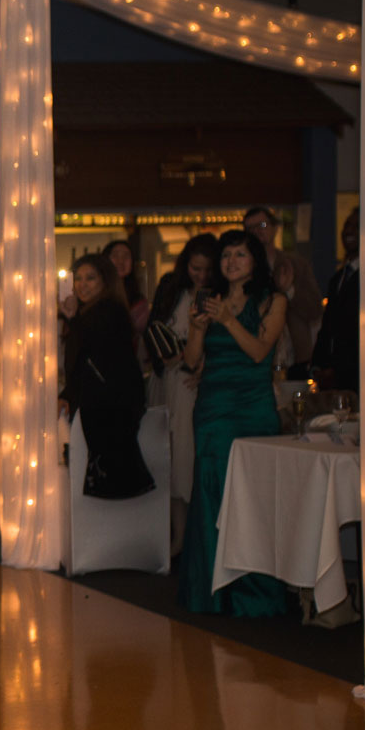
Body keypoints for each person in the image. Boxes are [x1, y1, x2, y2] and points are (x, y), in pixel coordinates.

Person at [177, 231, 291, 616]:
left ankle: (253, 594)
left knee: (252, 497)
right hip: (213, 407)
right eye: (226, 255)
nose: (231, 261)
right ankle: (210, 591)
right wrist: (197, 328)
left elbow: (260, 352)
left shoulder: (273, 301)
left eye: (240, 254)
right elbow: (192, 361)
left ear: (255, 260)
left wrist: (227, 319)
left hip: (253, 407)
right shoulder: (209, 300)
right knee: (212, 492)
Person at [60, 254, 153, 500]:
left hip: (110, 409)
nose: (82, 284)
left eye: (90, 278)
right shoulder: (91, 312)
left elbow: (92, 352)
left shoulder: (108, 312)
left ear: (105, 281)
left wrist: (72, 319)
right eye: (77, 278)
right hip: (104, 406)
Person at [149, 233, 219, 552]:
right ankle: (177, 534)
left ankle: (194, 534)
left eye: (206, 270)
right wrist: (163, 355)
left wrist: (200, 362)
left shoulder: (219, 296)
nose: (201, 276)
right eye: (195, 269)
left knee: (187, 454)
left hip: (195, 381)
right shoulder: (170, 288)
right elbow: (153, 327)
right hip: (168, 379)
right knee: (170, 453)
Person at [243, 207, 319, 376]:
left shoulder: (296, 264)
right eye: (250, 228)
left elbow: (315, 309)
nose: (257, 231)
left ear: (275, 227)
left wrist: (289, 291)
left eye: (262, 224)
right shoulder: (241, 268)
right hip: (254, 355)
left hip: (295, 355)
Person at [309, 208, 360, 393]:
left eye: (357, 226)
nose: (349, 231)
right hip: (331, 380)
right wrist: (317, 367)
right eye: (347, 225)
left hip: (355, 378)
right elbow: (328, 326)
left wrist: (338, 371)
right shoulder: (338, 279)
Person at [102, 237, 151, 342]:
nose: (121, 261)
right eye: (115, 255)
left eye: (126, 256)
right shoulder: (96, 295)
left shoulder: (138, 301)